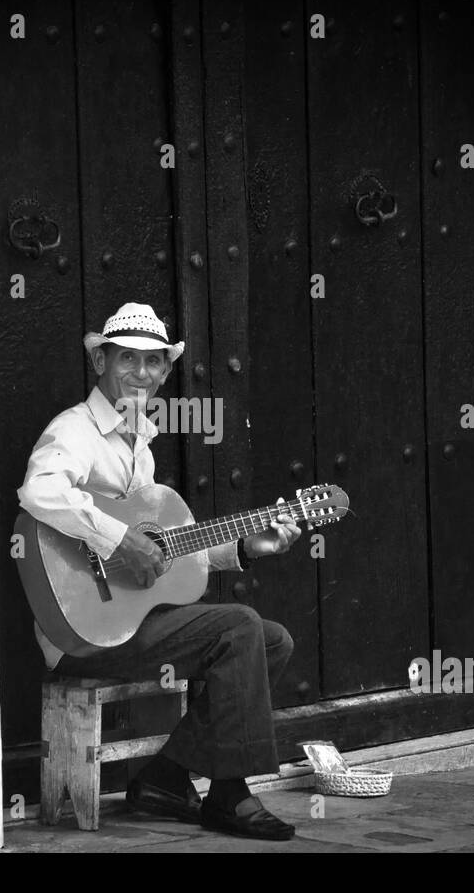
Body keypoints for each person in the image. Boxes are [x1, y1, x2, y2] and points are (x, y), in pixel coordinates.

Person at [16, 302, 303, 840]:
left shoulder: (139, 443)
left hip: (126, 623)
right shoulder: (76, 430)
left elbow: (164, 555)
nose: (141, 373)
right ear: (101, 361)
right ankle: (230, 795)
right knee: (239, 624)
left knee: (272, 640)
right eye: (128, 358)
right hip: (85, 634)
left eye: (154, 363)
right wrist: (118, 538)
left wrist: (244, 548)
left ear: (167, 372)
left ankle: (166, 778)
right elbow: (39, 491)